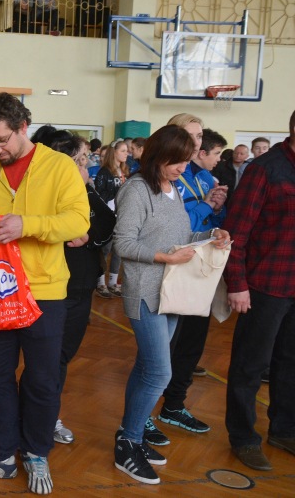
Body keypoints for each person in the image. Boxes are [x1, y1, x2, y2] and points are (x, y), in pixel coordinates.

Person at [0, 93, 89, 495]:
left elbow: (78, 221)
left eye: (2, 140)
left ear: (23, 127)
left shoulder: (59, 166)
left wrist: (26, 225)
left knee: (43, 379)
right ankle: (0, 454)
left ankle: (35, 451)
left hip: (45, 290)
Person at [112, 125, 230, 485]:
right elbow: (123, 243)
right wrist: (166, 257)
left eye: (185, 161)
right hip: (146, 291)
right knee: (159, 373)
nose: (182, 168)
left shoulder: (172, 188)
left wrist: (209, 236)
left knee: (146, 367)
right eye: (176, 162)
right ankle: (129, 442)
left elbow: (180, 238)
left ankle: (130, 435)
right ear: (157, 157)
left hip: (171, 292)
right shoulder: (137, 189)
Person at [223, 110, 295, 472]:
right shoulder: (265, 170)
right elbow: (236, 233)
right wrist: (237, 285)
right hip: (265, 285)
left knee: (291, 364)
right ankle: (243, 437)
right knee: (250, 365)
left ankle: (284, 430)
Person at [149, 128, 227, 443]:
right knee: (160, 352)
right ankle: (143, 417)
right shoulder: (162, 181)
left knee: (192, 343)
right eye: (193, 134)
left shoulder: (205, 178)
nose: (197, 140)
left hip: (199, 268)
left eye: (199, 134)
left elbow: (205, 224)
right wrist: (206, 207)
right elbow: (177, 228)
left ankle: (174, 405)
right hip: (169, 270)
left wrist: (217, 215)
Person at [48, 131, 115, 446]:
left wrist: (88, 236)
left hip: (81, 286)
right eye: (81, 161)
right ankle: (41, 417)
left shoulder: (87, 192)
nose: (86, 169)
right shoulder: (46, 194)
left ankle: (47, 415)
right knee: (47, 358)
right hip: (53, 287)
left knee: (61, 356)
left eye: (86, 161)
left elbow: (107, 222)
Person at [94, 140, 129, 297]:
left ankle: (113, 282)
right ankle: (100, 283)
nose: (126, 154)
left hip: (121, 216)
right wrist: (118, 193)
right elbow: (99, 195)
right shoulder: (104, 172)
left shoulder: (124, 171)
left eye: (127, 151)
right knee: (105, 249)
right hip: (108, 216)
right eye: (123, 151)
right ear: (114, 152)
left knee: (118, 249)